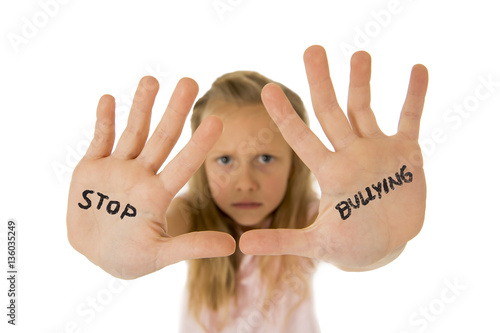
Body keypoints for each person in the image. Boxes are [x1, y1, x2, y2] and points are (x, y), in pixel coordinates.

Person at [66, 45, 429, 332]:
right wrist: (117, 223)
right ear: (200, 166)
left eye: (266, 158)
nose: (245, 182)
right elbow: (153, 227)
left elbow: (357, 240)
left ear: (295, 165)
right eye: (225, 160)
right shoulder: (188, 216)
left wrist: (387, 246)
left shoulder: (311, 219)